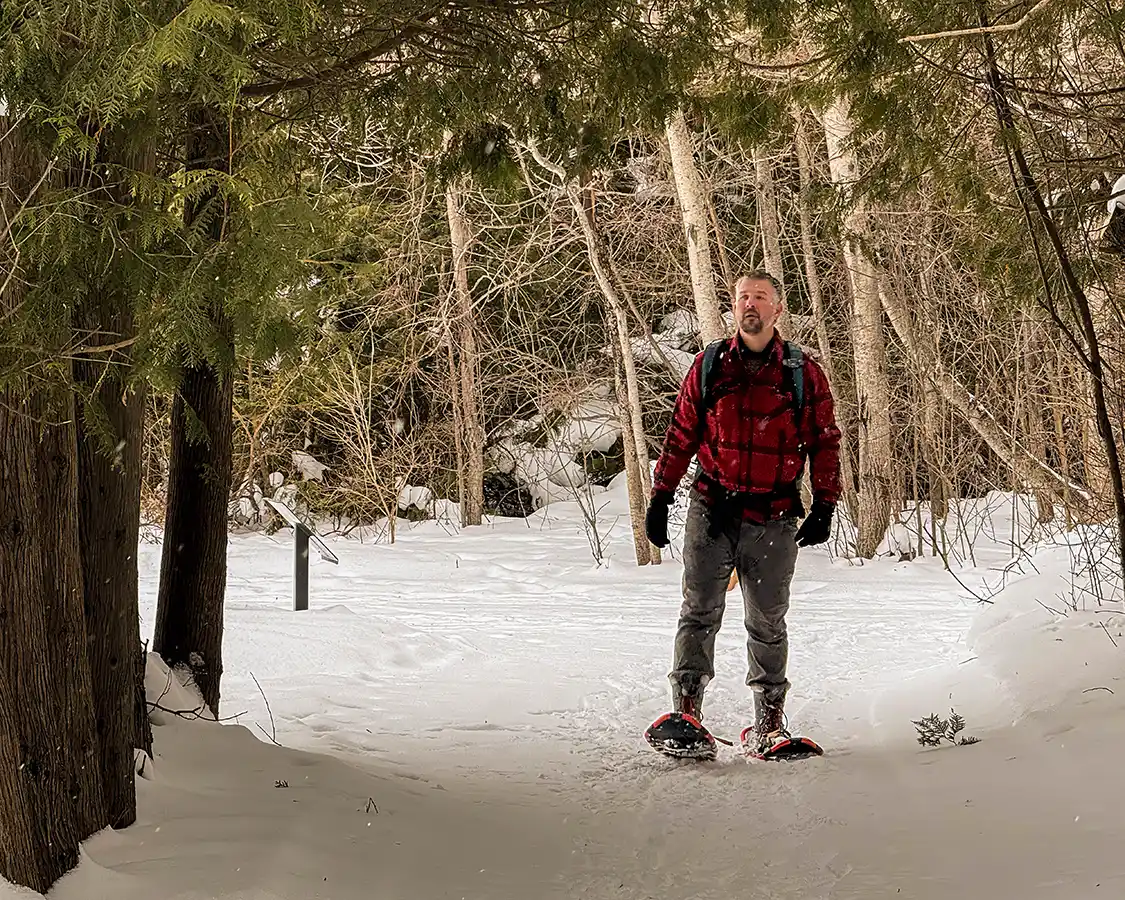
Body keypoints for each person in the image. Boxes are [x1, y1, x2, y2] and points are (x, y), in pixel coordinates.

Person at [644, 270, 842, 756]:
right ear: (733, 307)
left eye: (760, 297)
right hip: (712, 509)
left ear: (777, 309)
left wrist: (826, 503)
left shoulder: (801, 373)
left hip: (773, 516)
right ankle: (686, 712)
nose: (750, 305)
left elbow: (825, 441)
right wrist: (661, 494)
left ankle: (769, 722)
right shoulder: (710, 364)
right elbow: (681, 432)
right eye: (742, 298)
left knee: (768, 621)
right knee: (698, 611)